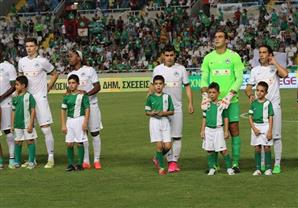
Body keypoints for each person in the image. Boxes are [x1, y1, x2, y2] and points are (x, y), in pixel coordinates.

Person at [200, 29, 244, 173]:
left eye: (220, 37)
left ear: (226, 40)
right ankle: (213, 164)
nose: (217, 39)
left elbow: (239, 78)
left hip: (231, 101)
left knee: (233, 130)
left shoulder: (234, 56)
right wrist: (205, 96)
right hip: (213, 102)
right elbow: (204, 79)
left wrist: (229, 96)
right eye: (215, 37)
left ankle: (235, 163)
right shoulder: (208, 58)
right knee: (211, 129)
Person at [149, 44, 194, 173]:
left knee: (177, 137)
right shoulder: (157, 69)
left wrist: (190, 102)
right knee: (166, 139)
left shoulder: (181, 69)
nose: (169, 58)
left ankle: (171, 161)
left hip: (177, 108)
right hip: (162, 110)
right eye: (167, 55)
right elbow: (153, 87)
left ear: (175, 55)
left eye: (171, 55)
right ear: (163, 56)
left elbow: (187, 86)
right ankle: (170, 163)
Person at [245, 45, 288, 174]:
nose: (262, 55)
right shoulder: (255, 70)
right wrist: (250, 94)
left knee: (276, 136)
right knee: (262, 137)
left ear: (270, 54)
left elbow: (285, 74)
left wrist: (274, 62)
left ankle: (277, 164)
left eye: (265, 52)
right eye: (260, 52)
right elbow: (248, 87)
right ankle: (263, 164)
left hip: (274, 106)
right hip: (259, 107)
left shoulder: (274, 68)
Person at [18, 37, 58, 168]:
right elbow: (20, 79)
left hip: (40, 98)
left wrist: (48, 88)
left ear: (36, 47)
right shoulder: (22, 61)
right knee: (29, 129)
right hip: (27, 99)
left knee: (45, 129)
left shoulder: (42, 61)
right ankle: (32, 159)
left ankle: (50, 158)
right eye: (27, 46)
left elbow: (55, 74)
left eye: (31, 46)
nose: (29, 48)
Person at [67, 49, 103, 170]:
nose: (69, 58)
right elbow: (69, 92)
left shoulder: (89, 70)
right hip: (79, 110)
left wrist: (85, 95)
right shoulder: (70, 74)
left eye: (71, 56)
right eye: (68, 57)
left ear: (79, 57)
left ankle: (97, 160)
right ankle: (86, 160)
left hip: (92, 105)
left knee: (95, 133)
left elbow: (98, 86)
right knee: (83, 134)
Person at [200, 82, 234, 176]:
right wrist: (202, 130)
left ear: (218, 93)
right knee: (209, 150)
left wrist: (226, 131)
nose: (211, 94)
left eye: (214, 92)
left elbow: (226, 118)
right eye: (210, 92)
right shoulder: (206, 104)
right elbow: (204, 118)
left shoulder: (222, 104)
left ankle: (229, 168)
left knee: (223, 150)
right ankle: (212, 168)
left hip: (218, 130)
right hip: (208, 130)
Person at [145, 75, 174, 175]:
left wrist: (163, 113)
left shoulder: (167, 97)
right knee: (159, 146)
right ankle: (161, 168)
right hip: (154, 122)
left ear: (163, 85)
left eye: (160, 84)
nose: (158, 86)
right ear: (153, 85)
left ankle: (157, 157)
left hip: (165, 121)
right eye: (156, 84)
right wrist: (151, 113)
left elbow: (172, 111)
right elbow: (146, 111)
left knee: (168, 146)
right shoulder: (150, 97)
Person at [61, 74, 90, 171]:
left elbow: (87, 109)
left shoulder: (82, 95)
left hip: (80, 119)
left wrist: (85, 122)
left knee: (79, 143)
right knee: (69, 143)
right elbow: (63, 110)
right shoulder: (66, 97)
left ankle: (80, 164)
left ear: (77, 84)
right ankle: (70, 164)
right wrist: (63, 124)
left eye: (73, 83)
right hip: (70, 121)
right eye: (69, 83)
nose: (71, 85)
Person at [11, 76, 37, 169]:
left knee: (30, 141)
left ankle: (31, 162)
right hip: (18, 124)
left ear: (23, 85)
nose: (16, 86)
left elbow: (33, 110)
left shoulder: (29, 96)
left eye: (17, 85)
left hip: (27, 124)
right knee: (18, 142)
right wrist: (12, 124)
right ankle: (17, 162)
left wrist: (31, 123)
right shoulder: (14, 97)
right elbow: (13, 111)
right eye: (15, 85)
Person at [248, 82, 274, 176]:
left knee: (267, 147)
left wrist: (270, 130)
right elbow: (250, 117)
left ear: (266, 93)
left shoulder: (268, 103)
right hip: (256, 126)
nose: (259, 93)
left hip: (266, 126)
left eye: (262, 91)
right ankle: (258, 169)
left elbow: (271, 117)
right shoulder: (253, 103)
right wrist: (254, 128)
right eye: (257, 90)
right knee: (257, 147)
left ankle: (268, 168)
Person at [0, 43, 16, 169]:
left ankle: (12, 159)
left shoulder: (8, 67)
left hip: (5, 103)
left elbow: (14, 86)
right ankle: (0, 160)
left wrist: (1, 97)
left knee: (8, 133)